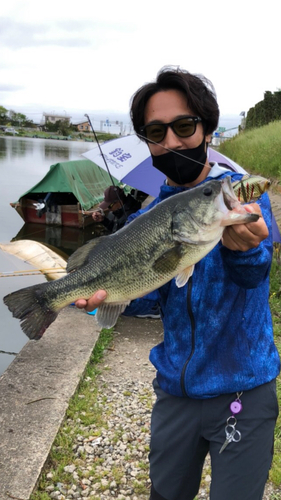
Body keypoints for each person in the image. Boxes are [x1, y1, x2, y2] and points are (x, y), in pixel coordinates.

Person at [76, 67, 280, 500]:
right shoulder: (139, 221)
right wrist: (101, 298)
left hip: (244, 389)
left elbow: (254, 276)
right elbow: (145, 299)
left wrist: (245, 251)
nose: (171, 142)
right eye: (156, 132)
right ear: (146, 141)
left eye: (184, 127)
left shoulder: (240, 196)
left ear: (206, 129)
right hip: (175, 391)